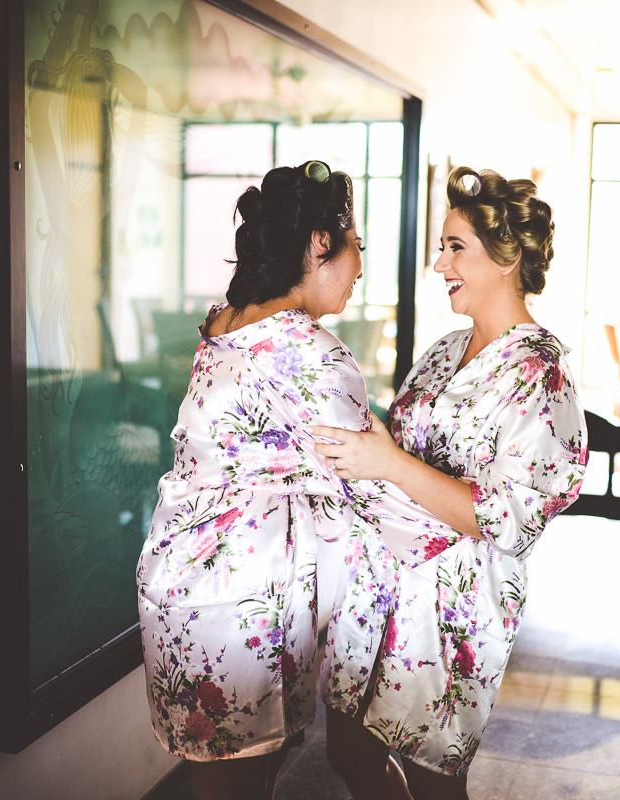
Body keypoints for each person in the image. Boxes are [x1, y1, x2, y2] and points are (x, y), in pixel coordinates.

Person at [136, 161, 460, 800]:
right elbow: (371, 484)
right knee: (241, 783)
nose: (361, 266)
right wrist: (469, 523)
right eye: (356, 246)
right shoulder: (308, 353)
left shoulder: (224, 322)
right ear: (320, 244)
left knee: (229, 779)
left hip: (182, 576)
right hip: (237, 603)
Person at [313, 166, 588, 799]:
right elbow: (400, 446)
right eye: (442, 246)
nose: (439, 264)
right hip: (377, 582)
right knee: (348, 750)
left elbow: (507, 519)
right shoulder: (444, 349)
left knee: (437, 781)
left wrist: (390, 465)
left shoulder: (541, 377)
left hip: (454, 604)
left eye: (454, 246)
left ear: (508, 257)